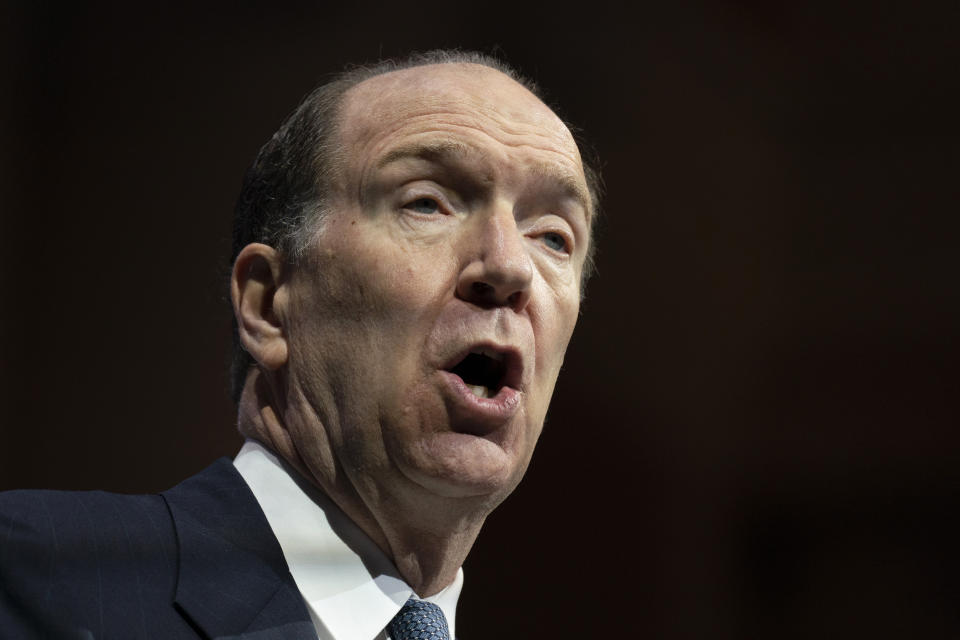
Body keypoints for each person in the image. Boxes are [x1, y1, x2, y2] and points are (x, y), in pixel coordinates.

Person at [0, 50, 600, 640]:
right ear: (268, 305)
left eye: (552, 236)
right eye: (427, 203)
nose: (510, 266)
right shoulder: (45, 577)